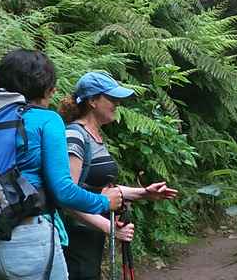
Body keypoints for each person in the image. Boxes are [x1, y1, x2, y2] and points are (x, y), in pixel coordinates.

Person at [0, 50, 125, 280]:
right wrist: (104, 201)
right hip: (26, 240)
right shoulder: (46, 119)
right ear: (46, 89)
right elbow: (64, 191)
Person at [58, 70, 179, 280]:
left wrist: (144, 193)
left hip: (89, 235)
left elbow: (100, 189)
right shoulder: (75, 136)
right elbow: (67, 197)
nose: (117, 104)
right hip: (75, 237)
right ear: (93, 101)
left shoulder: (94, 136)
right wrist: (110, 228)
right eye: (112, 99)